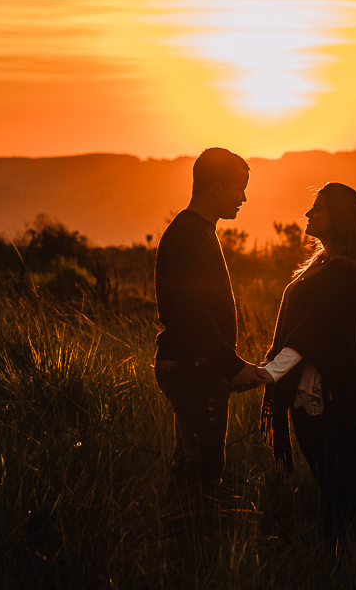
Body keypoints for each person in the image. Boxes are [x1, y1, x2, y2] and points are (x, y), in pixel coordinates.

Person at [260, 182, 356, 555]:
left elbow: (310, 333)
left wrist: (269, 373)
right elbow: (303, 331)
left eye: (318, 208)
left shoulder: (342, 271)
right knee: (333, 487)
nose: (309, 213)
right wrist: (271, 370)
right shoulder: (323, 264)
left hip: (324, 398)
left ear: (340, 219)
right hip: (306, 396)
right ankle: (343, 562)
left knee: (346, 487)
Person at [153, 147, 271, 525]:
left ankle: (174, 537)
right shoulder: (191, 235)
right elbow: (192, 312)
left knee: (190, 462)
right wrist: (232, 365)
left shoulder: (195, 231)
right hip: (194, 367)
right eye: (239, 189)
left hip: (198, 366)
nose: (244, 198)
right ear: (217, 188)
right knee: (203, 468)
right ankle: (194, 544)